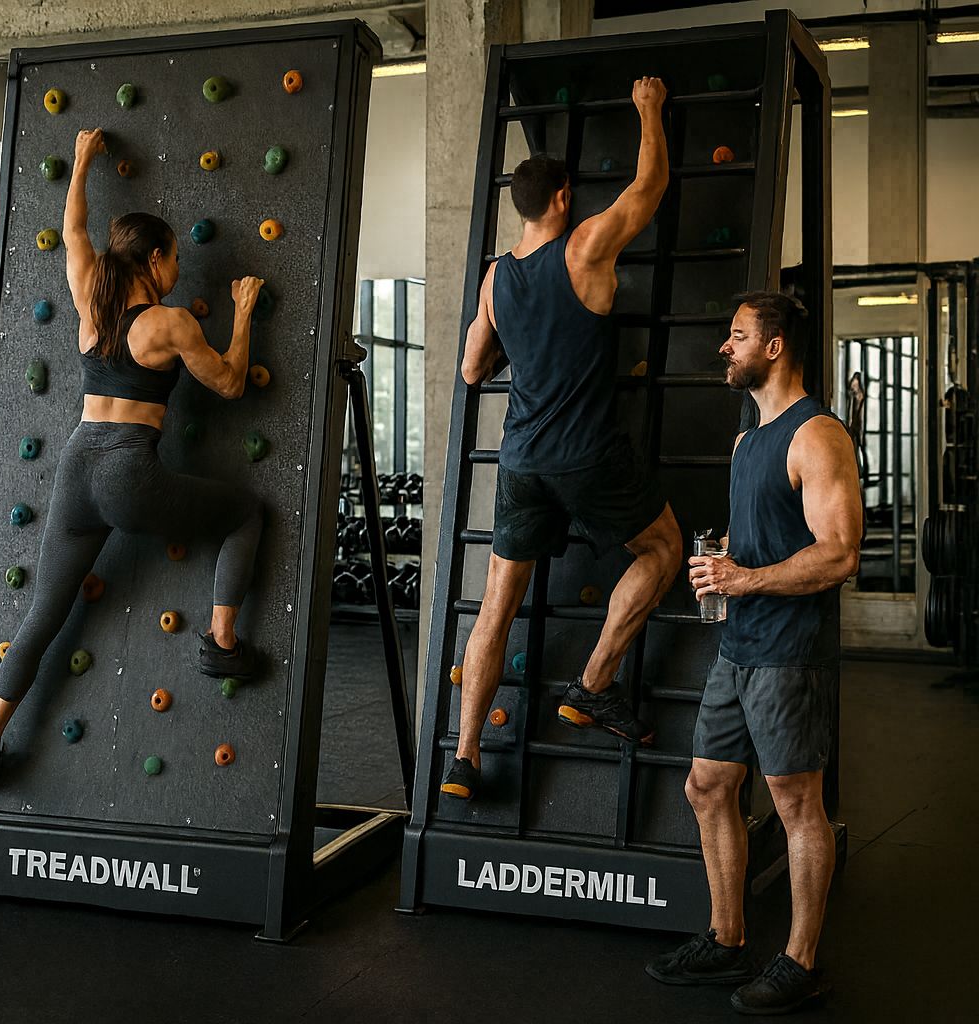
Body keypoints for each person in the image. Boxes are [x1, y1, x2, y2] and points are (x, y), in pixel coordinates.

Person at [0, 128, 265, 790]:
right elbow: (232, 384)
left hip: (76, 465)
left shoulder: (89, 302)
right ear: (155, 260)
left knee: (44, 610)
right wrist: (243, 314)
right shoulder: (168, 322)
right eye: (176, 259)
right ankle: (220, 641)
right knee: (244, 511)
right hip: (128, 468)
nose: (179, 270)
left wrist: (82, 162)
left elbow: (74, 234)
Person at [442, 77, 684, 800]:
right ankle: (592, 683)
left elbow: (470, 367)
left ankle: (465, 756)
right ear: (562, 197)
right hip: (586, 455)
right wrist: (647, 107)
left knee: (496, 605)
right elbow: (650, 185)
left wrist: (520, 340)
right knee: (665, 547)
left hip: (519, 462)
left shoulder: (494, 278)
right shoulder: (582, 247)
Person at [646, 292, 859, 1016]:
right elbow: (763, 539)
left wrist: (744, 578)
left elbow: (839, 554)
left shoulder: (818, 436)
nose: (723, 347)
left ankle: (801, 962)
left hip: (788, 654)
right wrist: (728, 564)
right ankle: (727, 937)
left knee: (798, 806)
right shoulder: (748, 440)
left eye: (736, 336)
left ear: (773, 347)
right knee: (707, 786)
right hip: (738, 648)